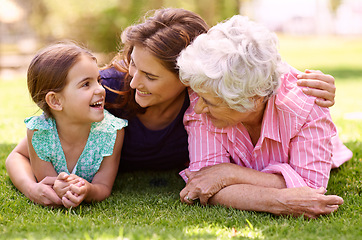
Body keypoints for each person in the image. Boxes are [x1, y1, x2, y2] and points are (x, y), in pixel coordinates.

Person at [6, 8, 343, 215]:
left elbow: (251, 68)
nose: (134, 81)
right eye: (132, 64)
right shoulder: (103, 91)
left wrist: (308, 82)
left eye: (151, 76)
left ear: (188, 79)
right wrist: (36, 187)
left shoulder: (203, 95)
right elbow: (28, 147)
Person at [177, 15, 352, 218]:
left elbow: (311, 189)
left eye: (210, 103)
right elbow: (203, 184)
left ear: (253, 99)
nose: (198, 109)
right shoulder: (205, 91)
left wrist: (229, 173)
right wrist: (278, 201)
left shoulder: (306, 106)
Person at [23, 42, 127, 208]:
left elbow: (104, 186)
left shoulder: (112, 132)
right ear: (55, 101)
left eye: (98, 81)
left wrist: (88, 190)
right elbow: (49, 185)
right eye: (86, 84)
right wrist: (58, 188)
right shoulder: (39, 133)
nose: (100, 89)